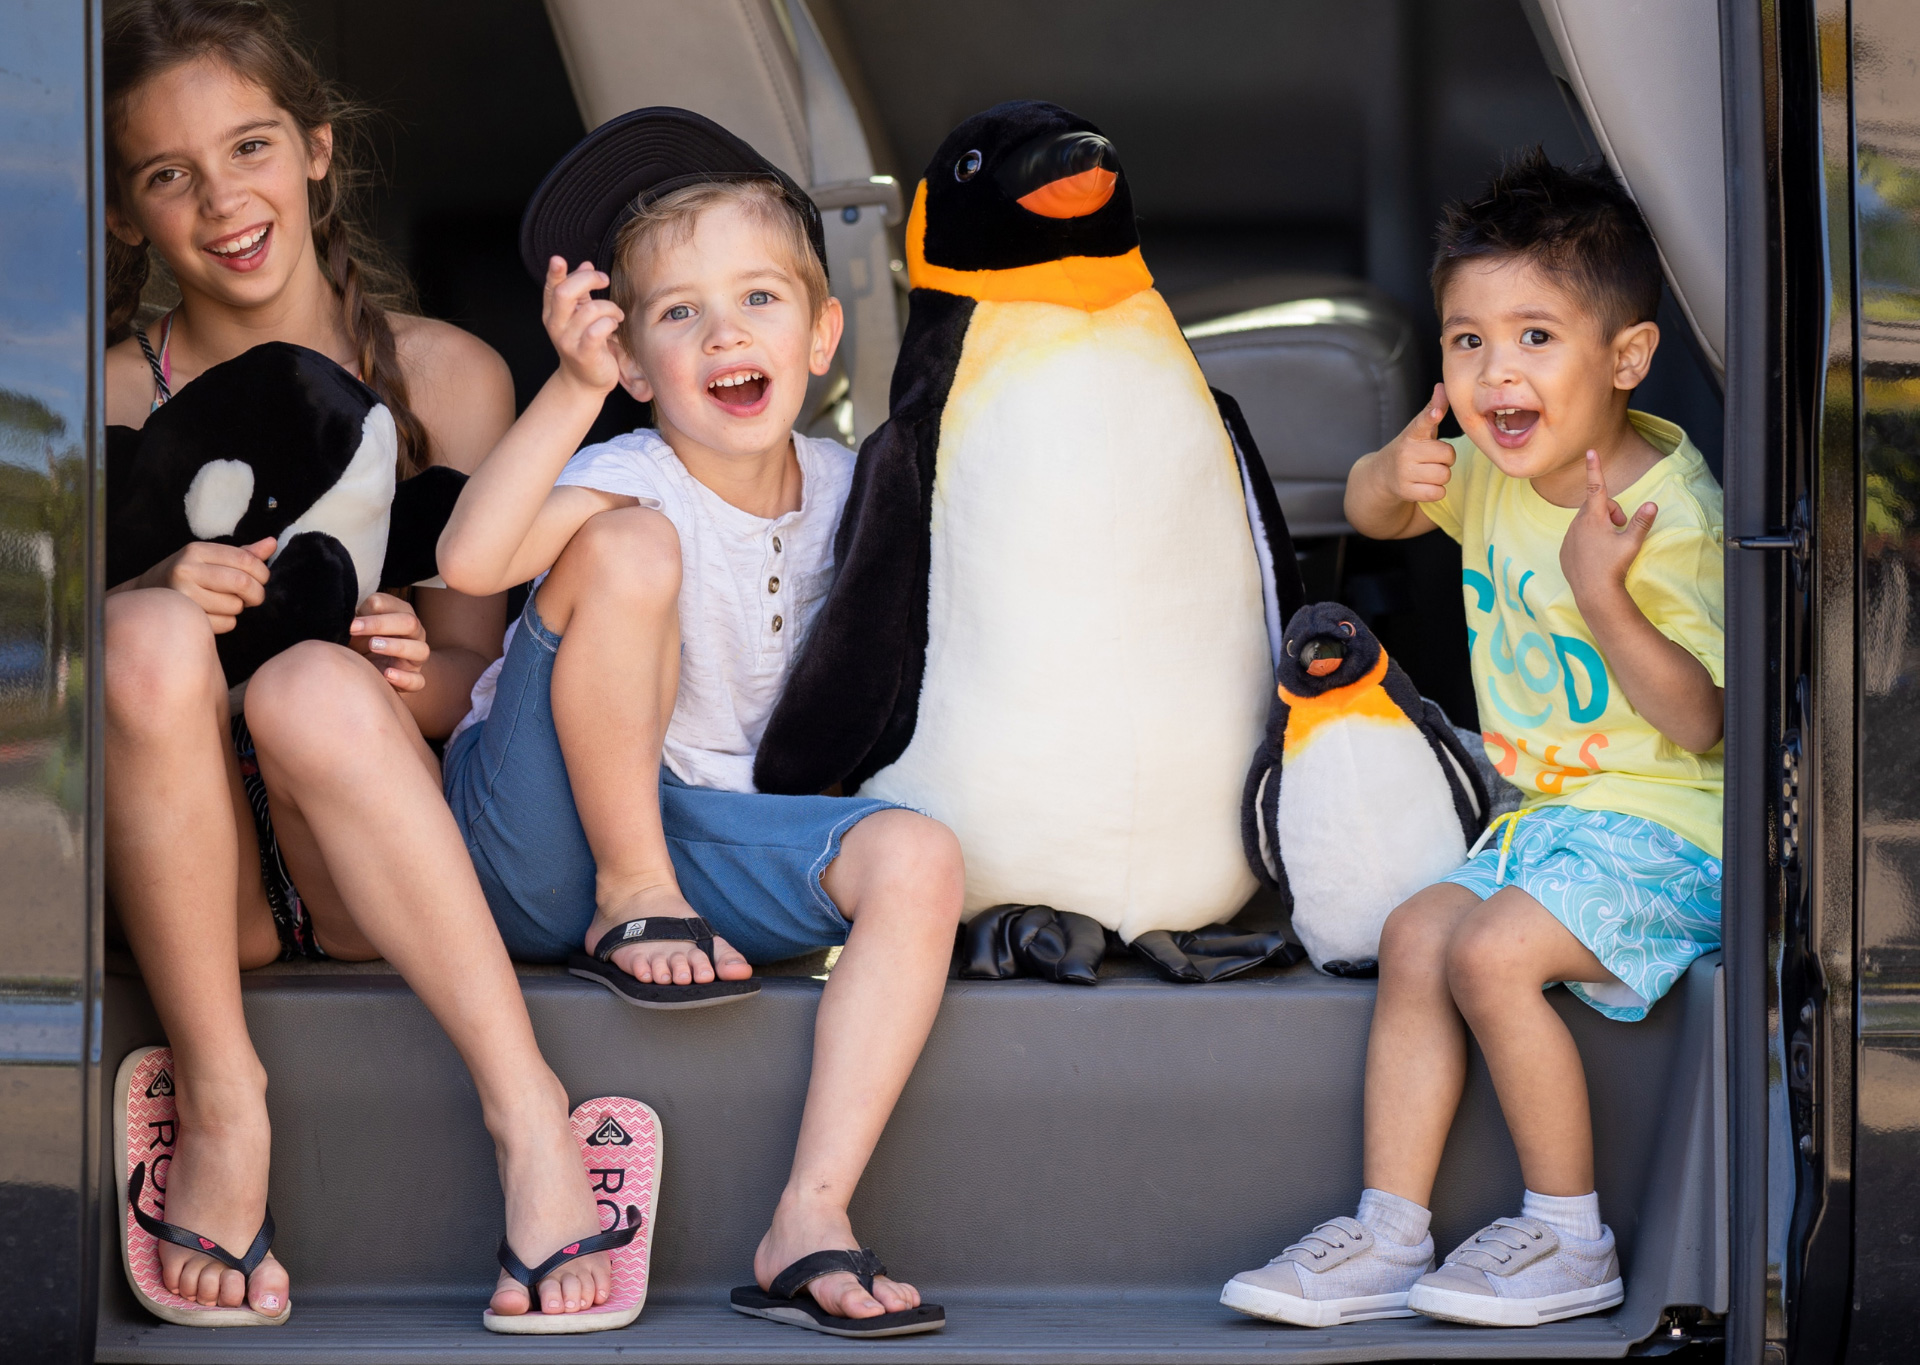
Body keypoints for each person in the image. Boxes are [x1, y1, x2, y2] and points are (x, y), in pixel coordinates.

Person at [104, 0, 618, 1326]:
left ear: (317, 149)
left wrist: (405, 661)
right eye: (168, 175)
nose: (224, 200)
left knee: (312, 682)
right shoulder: (96, 398)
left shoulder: (445, 376)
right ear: (124, 215)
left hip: (359, 869)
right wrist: (152, 587)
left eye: (252, 147)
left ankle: (530, 1114)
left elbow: (478, 686)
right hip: (190, 880)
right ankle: (225, 1100)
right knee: (138, 630)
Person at [435, 109, 963, 1338]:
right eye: (679, 314)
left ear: (822, 335)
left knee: (921, 858)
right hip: (541, 838)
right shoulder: (632, 473)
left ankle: (809, 1220)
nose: (725, 334)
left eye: (759, 299)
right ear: (632, 362)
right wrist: (571, 391)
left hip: (707, 849)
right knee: (633, 551)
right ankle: (632, 891)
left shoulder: (858, 489)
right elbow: (469, 562)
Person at [1222, 149, 1724, 1330]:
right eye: (1467, 340)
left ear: (1627, 357)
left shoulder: (1668, 516)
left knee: (1490, 955)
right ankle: (1390, 1231)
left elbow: (1703, 719)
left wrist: (1602, 593)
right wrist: (1387, 472)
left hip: (1672, 830)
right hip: (1545, 825)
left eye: (1536, 337)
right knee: (1415, 935)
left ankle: (1570, 1235)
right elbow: (1374, 510)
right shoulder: (1498, 468)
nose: (1496, 371)